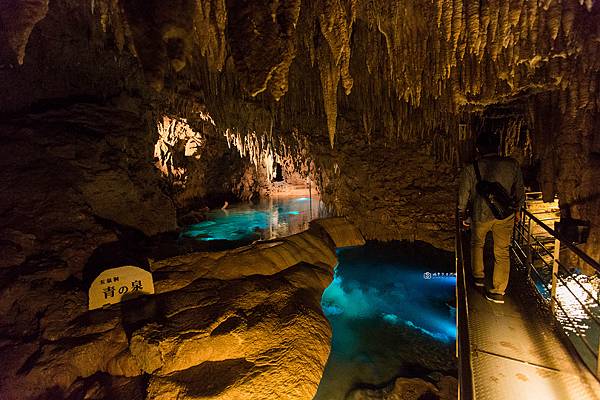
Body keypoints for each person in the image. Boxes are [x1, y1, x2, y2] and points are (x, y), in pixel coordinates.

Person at [458, 132, 525, 304]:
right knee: (502, 251)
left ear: (479, 149)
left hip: (481, 213)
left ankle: (478, 276)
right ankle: (498, 291)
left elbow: (464, 193)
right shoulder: (512, 165)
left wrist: (461, 212)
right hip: (505, 215)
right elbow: (519, 191)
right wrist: (517, 209)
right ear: (497, 147)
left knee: (477, 244)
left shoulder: (471, 168)